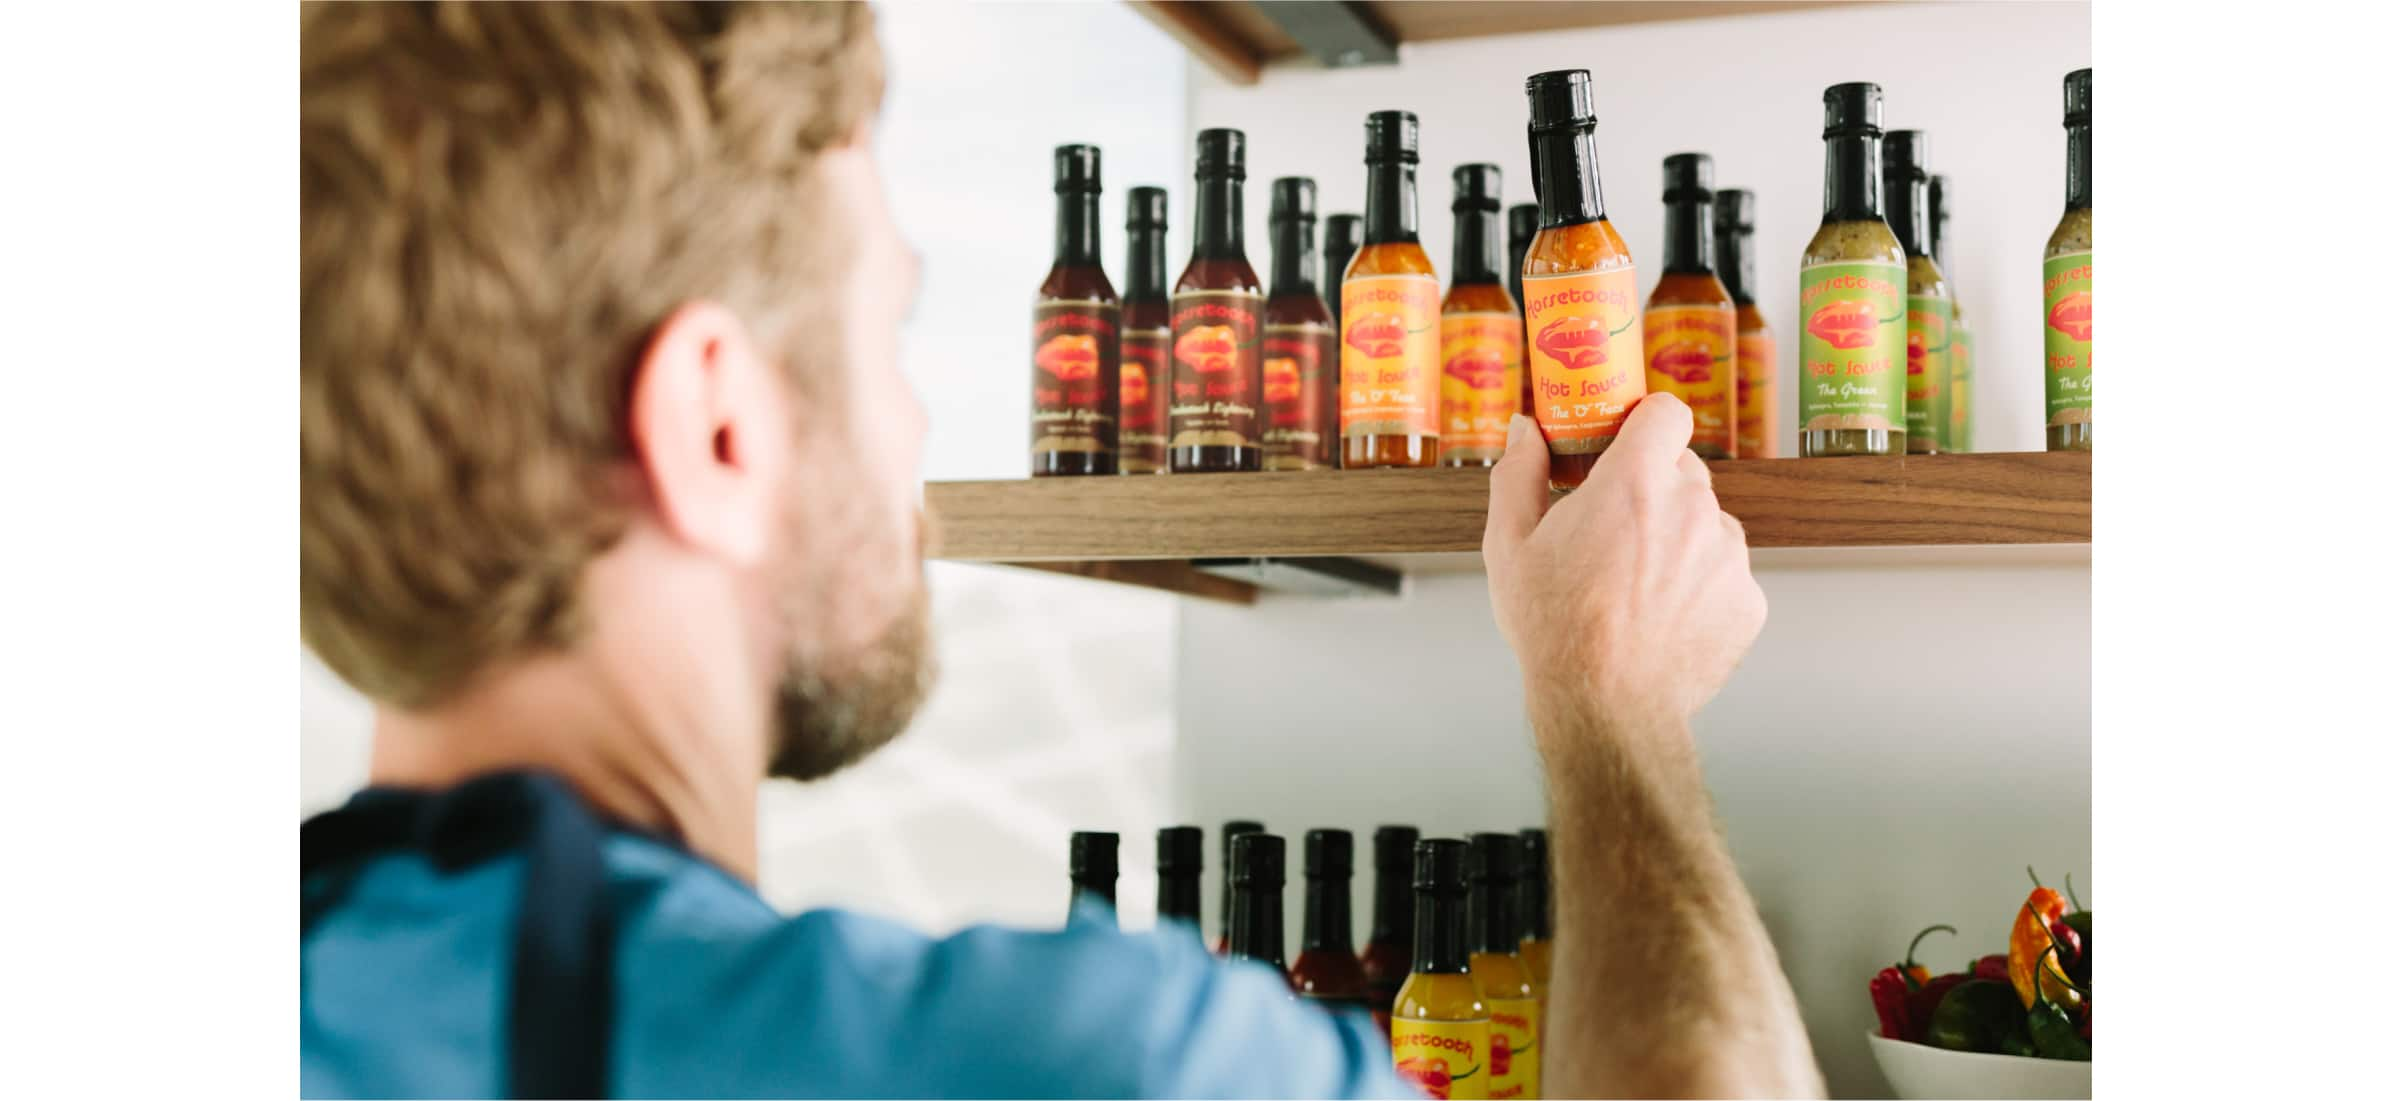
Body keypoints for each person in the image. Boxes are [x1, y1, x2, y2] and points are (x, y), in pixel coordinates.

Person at [298, 3, 1822, 1098]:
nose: (910, 429)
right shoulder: (1093, 1064)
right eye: (887, 332)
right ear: (714, 432)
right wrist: (1611, 695)